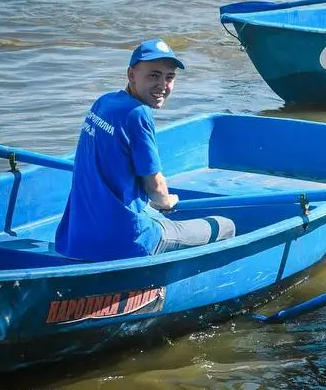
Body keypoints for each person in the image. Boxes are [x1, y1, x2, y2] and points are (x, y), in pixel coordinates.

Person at [55, 39, 237, 262]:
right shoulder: (138, 113)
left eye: (169, 77)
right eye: (153, 75)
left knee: (156, 216)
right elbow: (155, 187)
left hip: (77, 237)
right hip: (127, 240)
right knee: (225, 226)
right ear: (131, 75)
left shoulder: (103, 102)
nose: (162, 85)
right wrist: (166, 202)